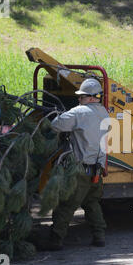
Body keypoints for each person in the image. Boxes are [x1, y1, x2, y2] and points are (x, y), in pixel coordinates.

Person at [40, 78, 109, 250]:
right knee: (92, 204)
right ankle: (99, 236)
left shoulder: (79, 112)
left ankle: (55, 240)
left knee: (66, 205)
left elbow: (56, 125)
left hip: (79, 172)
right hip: (96, 172)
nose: (79, 99)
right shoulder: (104, 114)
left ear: (92, 97)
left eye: (82, 96)